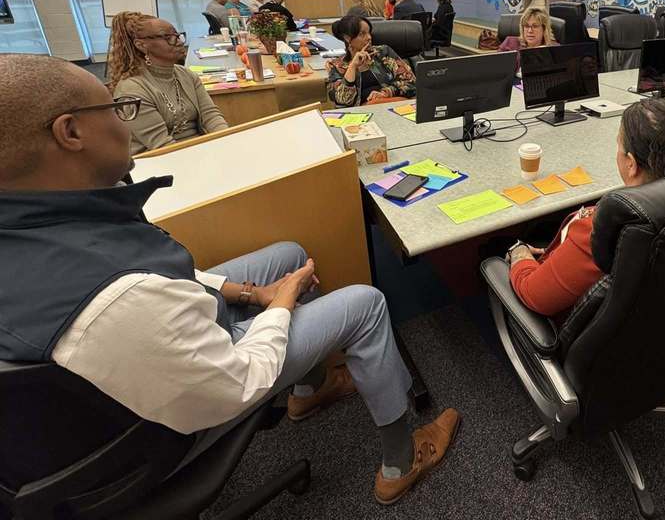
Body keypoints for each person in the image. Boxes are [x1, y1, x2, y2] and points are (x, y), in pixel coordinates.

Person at [0, 53, 461, 506]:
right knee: (365, 304)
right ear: (71, 131)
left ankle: (310, 390)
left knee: (289, 255)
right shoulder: (116, 296)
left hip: (155, 345)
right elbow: (235, 381)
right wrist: (280, 304)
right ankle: (401, 464)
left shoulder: (44, 221)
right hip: (181, 410)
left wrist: (248, 292)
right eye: (117, 110)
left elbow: (166, 278)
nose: (126, 122)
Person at [508, 97, 665, 316]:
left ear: (631, 163)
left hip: (582, 332)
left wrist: (519, 251)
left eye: (619, 145)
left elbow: (534, 294)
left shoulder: (602, 231)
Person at [107, 12, 229, 155]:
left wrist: (226, 141)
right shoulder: (131, 90)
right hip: (160, 161)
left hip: (196, 150)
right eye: (168, 37)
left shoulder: (186, 74)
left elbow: (211, 115)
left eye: (177, 35)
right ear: (141, 45)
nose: (178, 41)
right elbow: (162, 145)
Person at [327, 15, 417, 107]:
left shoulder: (383, 52)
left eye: (369, 32)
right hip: (363, 114)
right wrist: (353, 66)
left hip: (394, 105)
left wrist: (386, 92)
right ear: (347, 38)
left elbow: (411, 82)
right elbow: (342, 102)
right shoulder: (336, 65)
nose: (369, 37)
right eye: (362, 34)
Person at [498, 6, 558, 71]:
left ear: (544, 29)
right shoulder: (509, 43)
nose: (530, 31)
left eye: (535, 26)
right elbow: (496, 67)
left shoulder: (555, 49)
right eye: (526, 26)